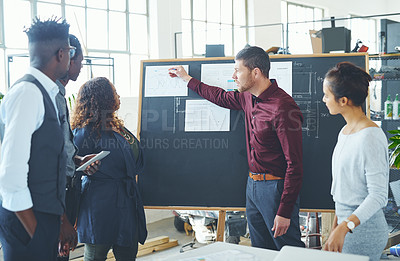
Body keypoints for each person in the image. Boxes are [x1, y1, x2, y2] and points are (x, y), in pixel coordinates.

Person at [169, 46, 304, 250]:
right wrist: (187, 79)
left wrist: (284, 211)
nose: (234, 76)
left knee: (288, 249)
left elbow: (295, 164)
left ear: (255, 72)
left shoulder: (283, 107)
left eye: (237, 70)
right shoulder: (247, 97)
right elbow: (219, 96)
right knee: (260, 249)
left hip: (275, 189)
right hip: (253, 186)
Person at [0, 17, 71, 260]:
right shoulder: (28, 94)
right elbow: (10, 177)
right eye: (70, 51)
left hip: (40, 220)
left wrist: (59, 222)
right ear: (61, 54)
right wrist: (38, 234)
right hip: (26, 228)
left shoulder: (45, 92)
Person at [70, 77, 147, 261]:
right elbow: (69, 163)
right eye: (114, 92)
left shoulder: (117, 126)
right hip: (100, 204)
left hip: (126, 202)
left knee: (128, 254)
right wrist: (84, 165)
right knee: (96, 255)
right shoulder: (86, 130)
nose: (118, 95)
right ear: (103, 98)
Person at [322, 62, 389, 261]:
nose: (324, 99)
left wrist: (345, 227)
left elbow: (378, 196)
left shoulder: (370, 137)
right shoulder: (344, 132)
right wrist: (334, 229)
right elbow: (343, 192)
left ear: (343, 100)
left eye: (326, 95)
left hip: (364, 233)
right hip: (343, 228)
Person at [56, 34, 100, 260]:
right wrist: (62, 220)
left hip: (65, 195)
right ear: (66, 57)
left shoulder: (59, 95)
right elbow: (43, 161)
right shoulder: (47, 96)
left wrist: (77, 160)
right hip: (54, 200)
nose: (81, 67)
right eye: (80, 61)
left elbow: (59, 148)